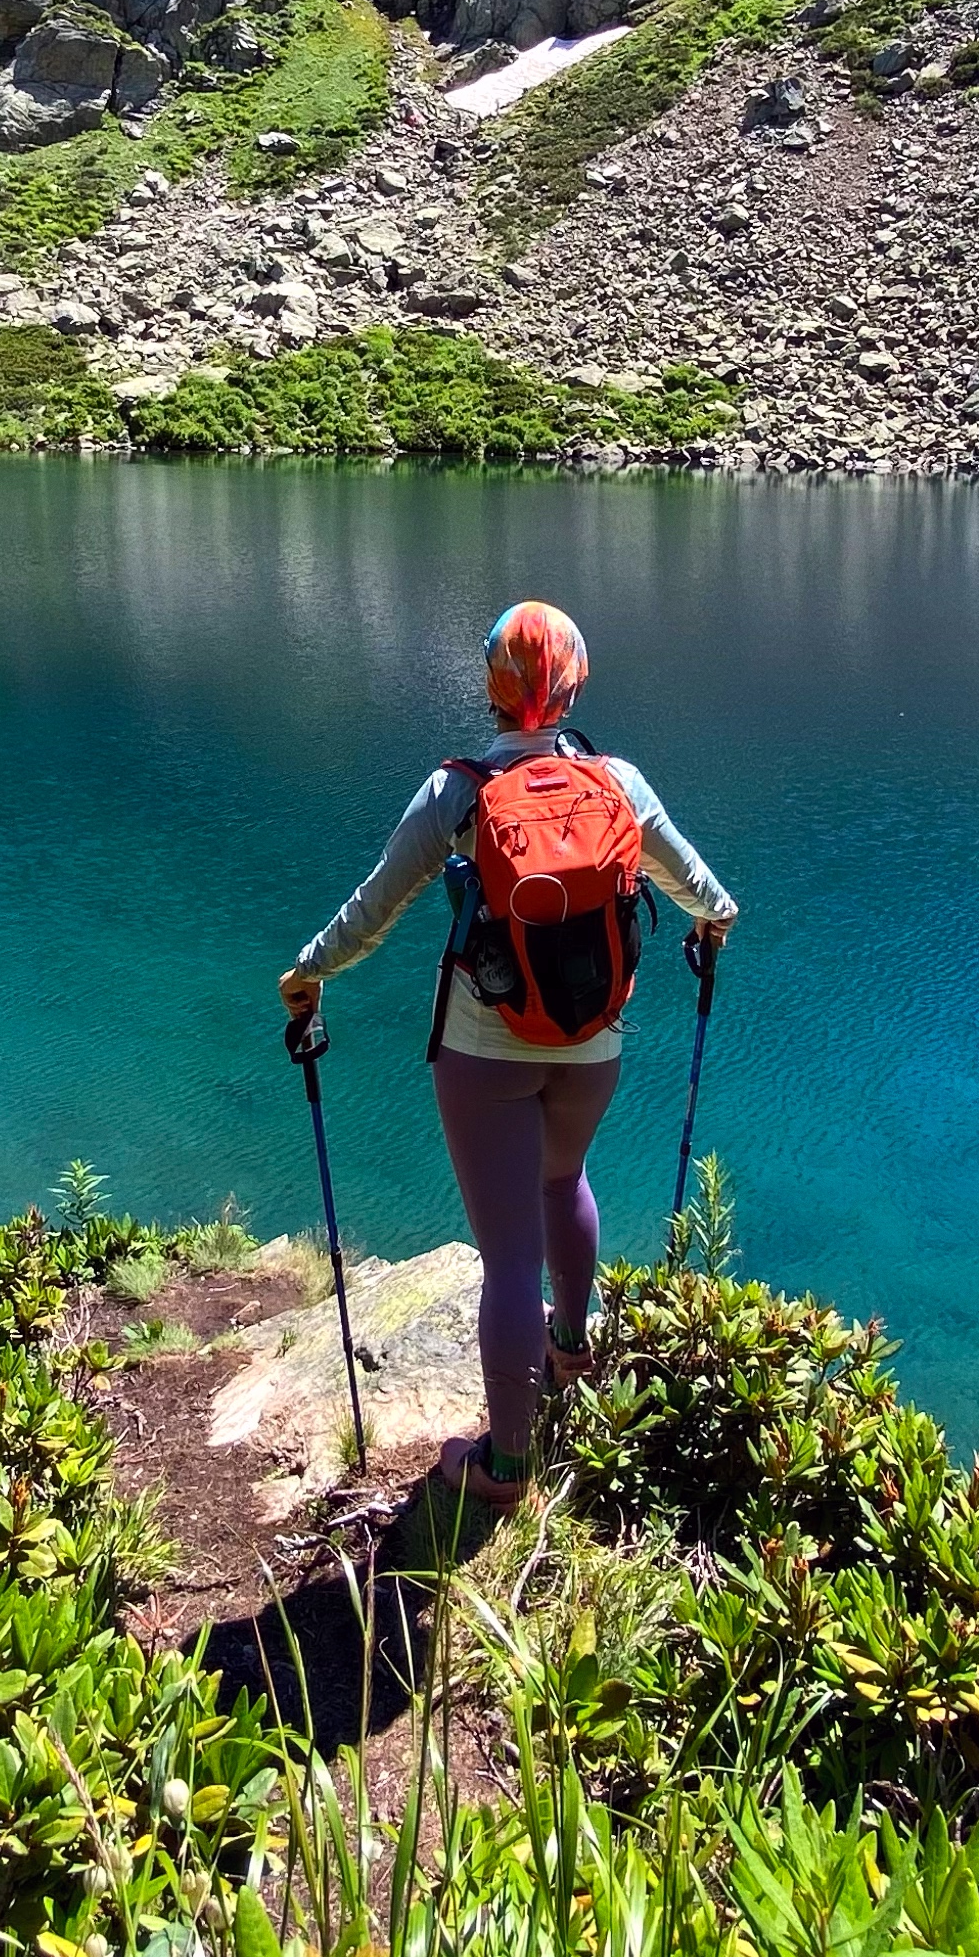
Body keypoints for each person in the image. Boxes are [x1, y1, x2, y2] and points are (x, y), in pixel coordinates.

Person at [279, 599, 737, 1506]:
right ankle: (573, 1346)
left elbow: (376, 907)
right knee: (562, 1182)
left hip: (484, 1049)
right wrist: (712, 927)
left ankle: (505, 1468)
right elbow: (704, 892)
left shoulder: (458, 789)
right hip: (593, 1039)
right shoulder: (618, 782)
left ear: (492, 687)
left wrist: (307, 972)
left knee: (505, 1260)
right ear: (570, 684)